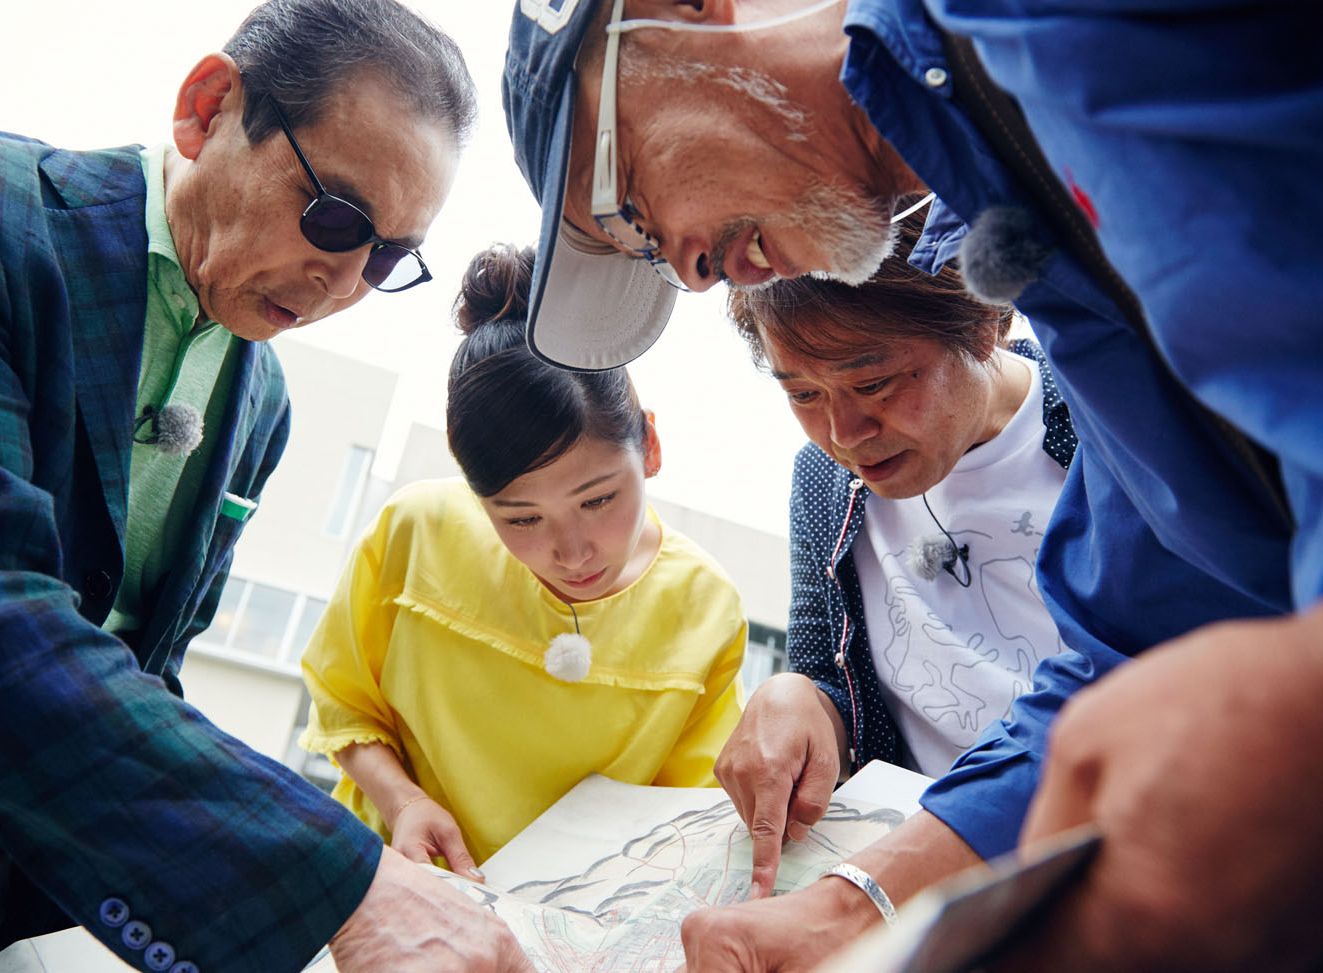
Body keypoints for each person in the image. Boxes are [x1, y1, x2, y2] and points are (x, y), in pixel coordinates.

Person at [500, 0, 1323, 969]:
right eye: (801, 390)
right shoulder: (1037, 244)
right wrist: (854, 905)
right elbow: (1131, 633)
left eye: (626, 206)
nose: (686, 267)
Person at [0, 2, 537, 971]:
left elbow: (149, 661)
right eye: (335, 215)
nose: (343, 280)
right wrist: (334, 876)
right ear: (207, 105)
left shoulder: (261, 402)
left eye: (386, 254)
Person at [298, 242, 748, 874]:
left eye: (597, 501)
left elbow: (684, 816)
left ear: (648, 444)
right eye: (521, 518)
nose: (571, 551)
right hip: (402, 889)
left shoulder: (704, 605)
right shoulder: (417, 531)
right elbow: (343, 703)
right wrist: (403, 805)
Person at [715, 208, 1076, 898]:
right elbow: (828, 673)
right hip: (916, 884)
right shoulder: (822, 482)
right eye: (803, 393)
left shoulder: (1103, 439)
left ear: (985, 319)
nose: (844, 431)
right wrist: (799, 698)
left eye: (875, 383)